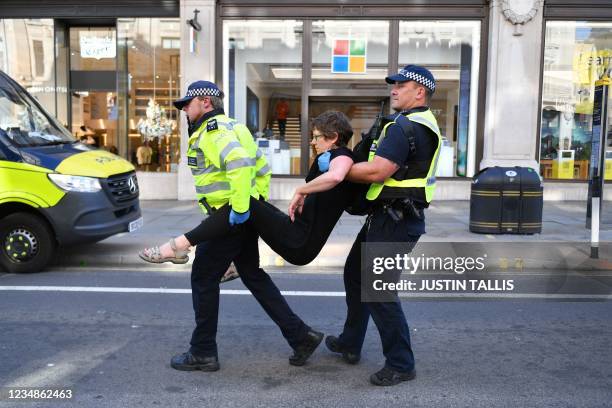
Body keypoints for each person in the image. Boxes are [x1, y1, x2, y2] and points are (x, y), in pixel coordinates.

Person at [147, 80, 323, 372]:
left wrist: (240, 209)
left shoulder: (211, 132)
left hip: (228, 217)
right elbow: (261, 168)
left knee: (203, 277)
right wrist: (253, 204)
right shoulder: (235, 127)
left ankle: (202, 351)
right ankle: (301, 335)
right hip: (239, 213)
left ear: (205, 103)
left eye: (186, 105)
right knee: (253, 274)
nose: (184, 111)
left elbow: (240, 165)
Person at [325, 65, 442, 386]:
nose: (393, 89)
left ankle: (401, 363)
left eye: (400, 85)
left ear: (420, 91)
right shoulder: (406, 124)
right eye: (393, 84)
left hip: (398, 219)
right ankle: (351, 342)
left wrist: (336, 168)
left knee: (378, 290)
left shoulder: (410, 127)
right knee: (354, 274)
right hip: (387, 215)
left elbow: (378, 171)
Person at [139, 111, 365, 268]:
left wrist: (301, 190)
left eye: (317, 137)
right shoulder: (329, 157)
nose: (313, 142)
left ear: (334, 137)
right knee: (249, 205)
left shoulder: (342, 155)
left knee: (245, 201)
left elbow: (336, 175)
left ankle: (179, 245)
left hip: (299, 242)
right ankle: (236, 262)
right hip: (296, 234)